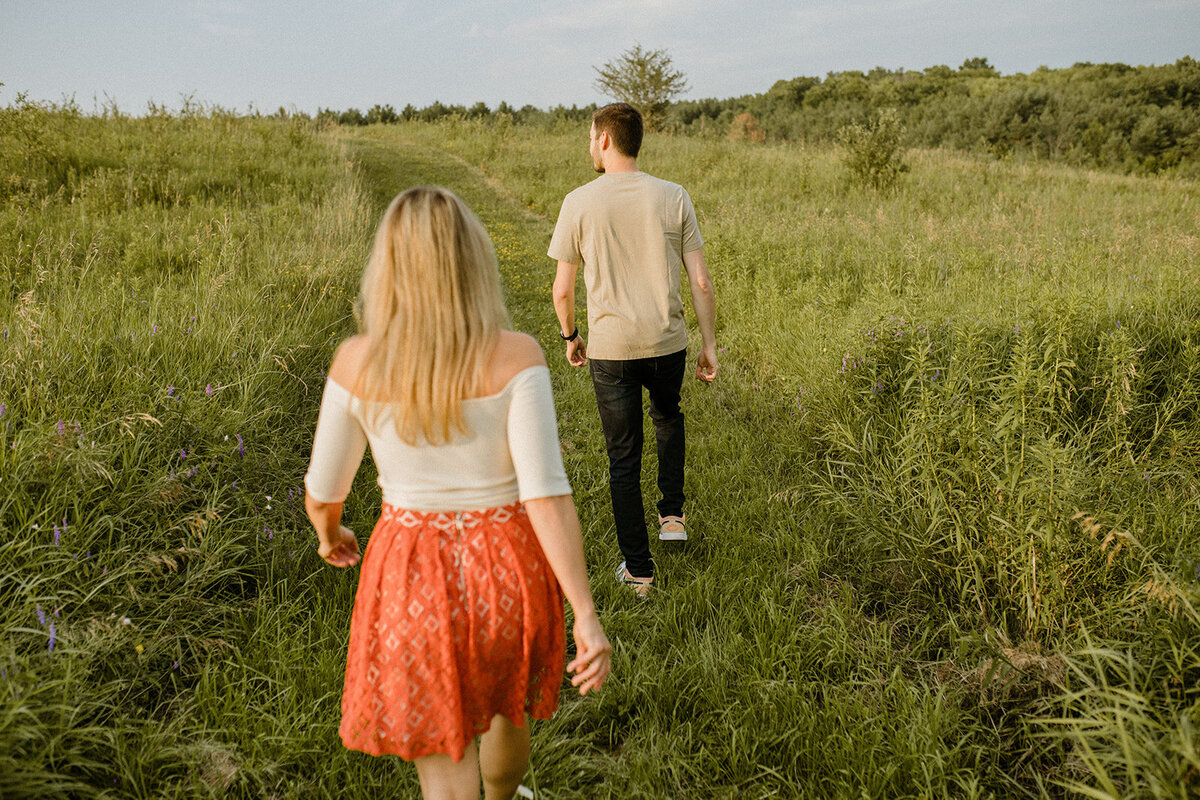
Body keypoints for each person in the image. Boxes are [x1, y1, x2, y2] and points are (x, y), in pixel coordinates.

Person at [304, 186, 611, 800]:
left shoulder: (355, 363)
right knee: (507, 707)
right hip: (505, 568)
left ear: (386, 268)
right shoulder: (518, 355)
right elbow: (546, 494)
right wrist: (584, 610)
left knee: (444, 762)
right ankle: (504, 795)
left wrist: (329, 532)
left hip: (410, 571)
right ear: (475, 262)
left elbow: (321, 490)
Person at [548, 102, 717, 596]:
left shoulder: (578, 201)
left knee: (623, 456)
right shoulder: (673, 196)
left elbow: (561, 289)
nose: (589, 145)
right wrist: (708, 345)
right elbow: (701, 281)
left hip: (613, 349)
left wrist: (570, 336)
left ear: (604, 140)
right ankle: (672, 516)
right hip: (668, 342)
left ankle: (639, 573)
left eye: (589, 136)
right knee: (668, 416)